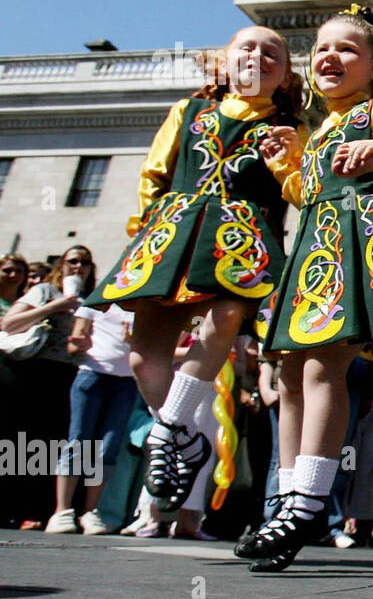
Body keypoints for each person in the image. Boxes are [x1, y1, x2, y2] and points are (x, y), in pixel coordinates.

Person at [236, 5, 373, 569]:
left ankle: (304, 505)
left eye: (347, 48)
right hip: (317, 256)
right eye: (322, 47)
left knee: (324, 368)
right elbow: (308, 193)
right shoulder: (322, 129)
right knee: (295, 372)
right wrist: (285, 167)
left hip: (361, 253)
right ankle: (287, 500)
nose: (330, 56)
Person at [82, 27, 304, 520]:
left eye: (273, 52)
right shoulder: (187, 113)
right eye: (247, 47)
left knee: (225, 318)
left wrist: (289, 158)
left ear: (286, 75)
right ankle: (184, 436)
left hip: (243, 242)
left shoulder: (290, 128)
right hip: (172, 237)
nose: (258, 56)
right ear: (222, 63)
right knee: (144, 359)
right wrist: (143, 236)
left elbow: (298, 191)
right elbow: (154, 175)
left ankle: (166, 431)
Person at [1, 246, 97, 528]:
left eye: (84, 262)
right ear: (61, 265)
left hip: (69, 374)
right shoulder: (45, 291)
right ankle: (9, 507)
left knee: (52, 443)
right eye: (72, 261)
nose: (78, 266)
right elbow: (9, 323)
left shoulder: (91, 300)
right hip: (32, 371)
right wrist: (55, 306)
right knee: (20, 442)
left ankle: (37, 510)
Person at [44, 302, 137, 534]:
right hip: (92, 374)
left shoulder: (142, 307)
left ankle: (90, 511)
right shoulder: (95, 304)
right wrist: (80, 344)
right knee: (79, 442)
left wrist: (132, 341)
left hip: (126, 382)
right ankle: (62, 511)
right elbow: (75, 343)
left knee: (108, 447)